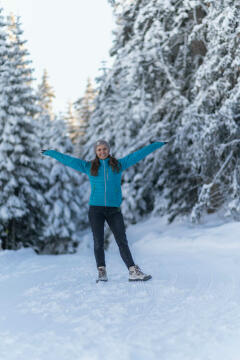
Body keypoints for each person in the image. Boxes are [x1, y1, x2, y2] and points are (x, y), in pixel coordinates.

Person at [41, 139, 167, 283]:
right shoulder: (89, 167)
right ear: (96, 152)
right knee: (98, 242)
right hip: (96, 210)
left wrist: (157, 144)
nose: (102, 152)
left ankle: (133, 271)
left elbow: (137, 155)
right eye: (99, 149)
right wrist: (51, 153)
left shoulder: (118, 165)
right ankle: (102, 272)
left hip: (114, 210)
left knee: (122, 241)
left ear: (108, 150)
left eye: (104, 149)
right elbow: (69, 160)